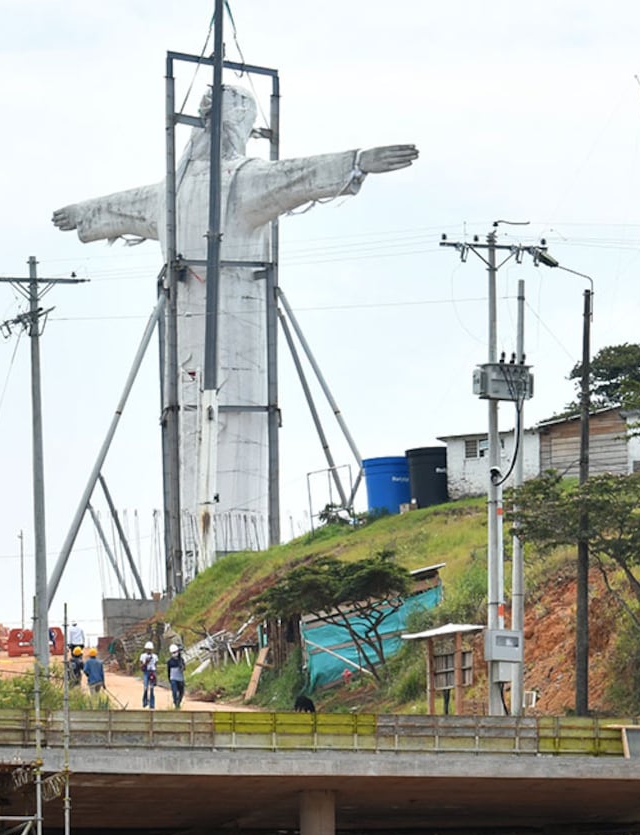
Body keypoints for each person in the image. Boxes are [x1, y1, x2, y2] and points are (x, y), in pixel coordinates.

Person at [53, 84, 416, 575]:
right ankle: (215, 557)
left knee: (205, 439)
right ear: (242, 122)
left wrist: (82, 214)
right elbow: (301, 176)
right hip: (238, 327)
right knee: (222, 438)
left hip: (195, 332)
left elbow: (116, 208)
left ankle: (202, 561)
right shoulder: (239, 181)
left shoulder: (170, 189)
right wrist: (357, 160)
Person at [167, 643, 186, 710]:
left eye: (175, 652)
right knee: (174, 691)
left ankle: (178, 702)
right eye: (173, 653)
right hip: (173, 678)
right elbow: (168, 670)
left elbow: (184, 668)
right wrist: (169, 678)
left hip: (180, 678)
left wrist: (181, 667)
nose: (174, 654)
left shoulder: (181, 660)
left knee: (181, 692)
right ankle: (175, 703)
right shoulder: (169, 661)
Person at [140, 641, 158, 710]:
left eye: (150, 649)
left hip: (152, 672)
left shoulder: (155, 656)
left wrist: (156, 676)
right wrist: (146, 662)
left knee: (152, 688)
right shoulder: (143, 656)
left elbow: (156, 666)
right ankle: (145, 702)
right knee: (145, 688)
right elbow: (141, 666)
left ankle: (152, 704)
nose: (149, 651)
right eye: (148, 649)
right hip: (146, 672)